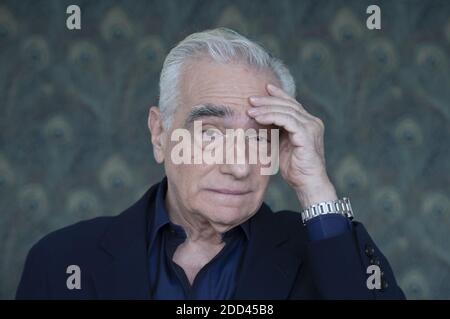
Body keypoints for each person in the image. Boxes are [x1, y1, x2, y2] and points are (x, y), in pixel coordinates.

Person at [16, 28, 405, 299]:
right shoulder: (62, 261)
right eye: (211, 133)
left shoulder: (322, 250)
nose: (238, 167)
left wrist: (315, 187)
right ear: (159, 134)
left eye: (258, 137)